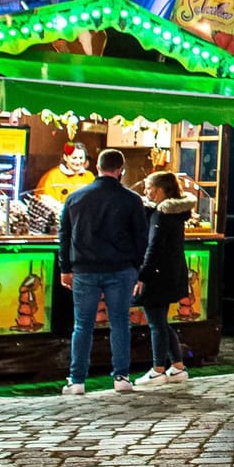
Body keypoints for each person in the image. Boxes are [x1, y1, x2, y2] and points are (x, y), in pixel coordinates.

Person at [58, 149, 148, 395]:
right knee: (119, 322)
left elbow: (64, 236)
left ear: (97, 167)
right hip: (121, 270)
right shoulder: (131, 200)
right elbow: (141, 239)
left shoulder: (76, 198)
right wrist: (137, 269)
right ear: (120, 170)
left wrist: (65, 268)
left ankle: (77, 381)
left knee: (83, 324)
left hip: (84, 270)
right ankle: (121, 376)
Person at [132, 172, 195, 386]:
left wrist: (143, 275)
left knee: (156, 322)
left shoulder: (162, 215)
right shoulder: (175, 213)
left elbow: (154, 247)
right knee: (161, 321)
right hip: (172, 273)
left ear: (159, 190)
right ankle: (177, 366)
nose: (146, 191)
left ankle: (158, 369)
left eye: (149, 187)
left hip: (158, 276)